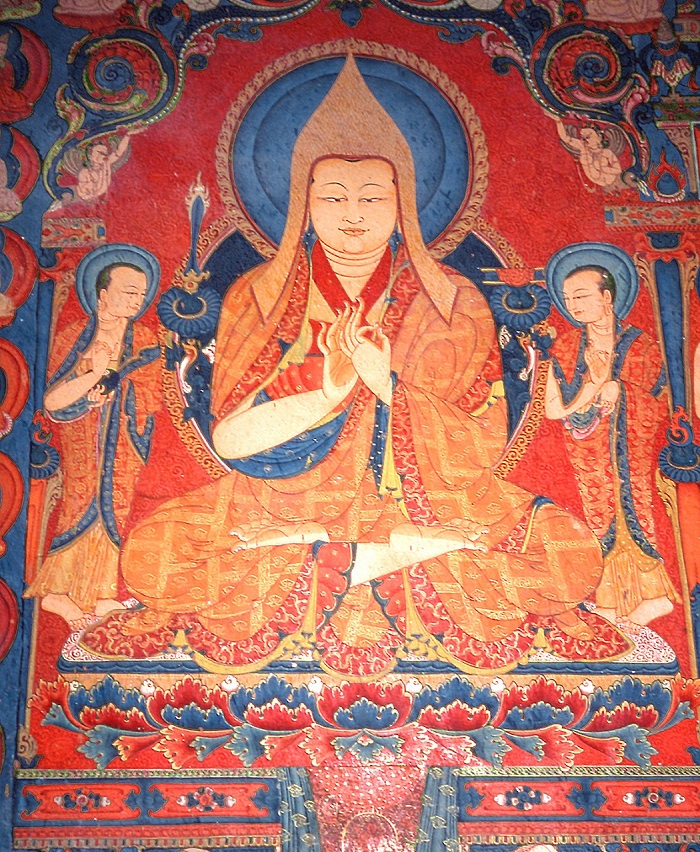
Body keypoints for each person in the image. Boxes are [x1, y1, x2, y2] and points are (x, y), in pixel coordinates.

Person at [113, 56, 625, 671]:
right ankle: (388, 556)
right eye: (332, 197)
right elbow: (228, 438)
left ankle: (334, 555)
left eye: (372, 197)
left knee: (572, 555)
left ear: (403, 204)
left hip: (432, 502)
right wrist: (327, 395)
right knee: (151, 554)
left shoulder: (454, 301)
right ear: (302, 204)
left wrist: (389, 388)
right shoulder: (257, 296)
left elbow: (485, 444)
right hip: (280, 500)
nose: (352, 214)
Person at [26, 251, 161, 628]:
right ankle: (57, 593)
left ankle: (102, 595)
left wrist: (122, 388)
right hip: (83, 436)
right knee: (80, 502)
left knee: (116, 508)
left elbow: (152, 394)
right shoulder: (74, 338)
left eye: (141, 295)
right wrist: (91, 378)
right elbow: (52, 401)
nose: (136, 301)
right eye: (129, 292)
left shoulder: (144, 340)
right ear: (102, 295)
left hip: (124, 442)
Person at [545, 263, 677, 626]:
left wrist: (621, 391)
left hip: (632, 453)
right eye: (568, 298)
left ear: (607, 298)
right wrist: (595, 385)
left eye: (581, 296)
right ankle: (608, 600)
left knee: (634, 513)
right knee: (597, 521)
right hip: (587, 453)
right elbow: (554, 410)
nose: (573, 305)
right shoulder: (566, 347)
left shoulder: (642, 346)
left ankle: (655, 596)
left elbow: (661, 405)